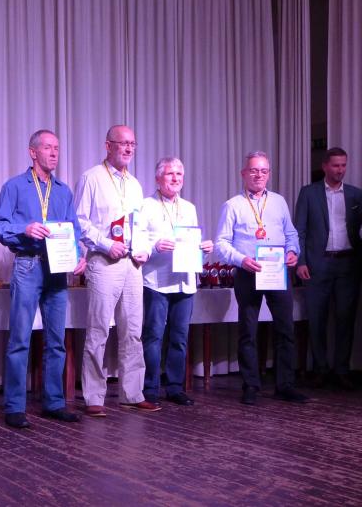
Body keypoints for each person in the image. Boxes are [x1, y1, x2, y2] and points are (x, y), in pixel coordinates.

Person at [0, 129, 85, 429]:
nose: (54, 153)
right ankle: (14, 406)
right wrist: (24, 229)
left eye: (56, 148)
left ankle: (54, 402)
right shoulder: (15, 186)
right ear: (33, 152)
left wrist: (78, 254)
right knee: (20, 339)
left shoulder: (63, 191)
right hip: (28, 265)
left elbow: (73, 229)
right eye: (47, 147)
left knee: (56, 341)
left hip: (57, 270)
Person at [74, 125, 157, 417]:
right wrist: (107, 244)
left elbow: (140, 226)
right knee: (98, 330)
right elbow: (80, 222)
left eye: (132, 143)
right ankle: (93, 397)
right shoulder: (92, 177)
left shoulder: (134, 184)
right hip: (104, 261)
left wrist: (144, 248)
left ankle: (132, 393)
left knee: (133, 331)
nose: (129, 148)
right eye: (123, 143)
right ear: (108, 145)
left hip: (132, 264)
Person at [215, 151, 308, 405]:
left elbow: (291, 233)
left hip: (277, 272)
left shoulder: (279, 202)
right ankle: (251, 385)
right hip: (248, 272)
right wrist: (241, 260)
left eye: (264, 171)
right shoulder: (233, 205)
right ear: (243, 173)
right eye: (254, 170)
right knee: (248, 331)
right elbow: (221, 244)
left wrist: (293, 252)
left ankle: (285, 385)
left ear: (269, 174)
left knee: (285, 329)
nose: (259, 175)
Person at [140, 157, 213, 406]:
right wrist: (155, 245)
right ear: (158, 178)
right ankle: (150, 387)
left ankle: (174, 387)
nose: (175, 178)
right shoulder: (146, 206)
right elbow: (138, 243)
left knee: (180, 337)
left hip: (184, 280)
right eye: (170, 174)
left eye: (179, 174)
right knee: (153, 336)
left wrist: (204, 249)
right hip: (156, 281)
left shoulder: (189, 208)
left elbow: (190, 244)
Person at [294, 148, 362, 390]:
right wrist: (301, 261)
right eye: (335, 165)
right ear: (324, 166)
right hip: (317, 265)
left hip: (348, 264)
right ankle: (320, 369)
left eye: (343, 165)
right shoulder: (309, 193)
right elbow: (299, 231)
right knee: (317, 319)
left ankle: (342, 370)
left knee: (345, 319)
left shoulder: (356, 195)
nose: (340, 170)